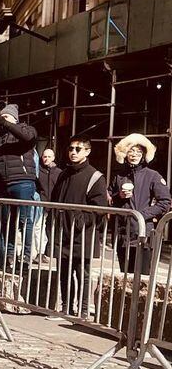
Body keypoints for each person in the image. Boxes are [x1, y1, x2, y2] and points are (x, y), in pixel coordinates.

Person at [51, 138, 108, 316]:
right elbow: (55, 200)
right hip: (63, 231)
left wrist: (80, 221)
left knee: (82, 274)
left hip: (82, 234)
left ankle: (83, 312)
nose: (73, 152)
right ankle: (67, 308)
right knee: (64, 273)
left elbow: (99, 207)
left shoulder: (95, 176)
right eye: (71, 148)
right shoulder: (63, 174)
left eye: (78, 149)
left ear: (87, 151)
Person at [0, 102, 39, 268]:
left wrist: (5, 121)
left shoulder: (26, 129)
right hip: (4, 184)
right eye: (1, 117)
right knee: (8, 222)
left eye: (5, 117)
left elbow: (27, 137)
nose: (2, 121)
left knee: (25, 220)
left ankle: (26, 256)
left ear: (14, 118)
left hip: (23, 182)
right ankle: (10, 255)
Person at [109, 133, 170, 274]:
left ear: (144, 155)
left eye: (138, 151)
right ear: (125, 153)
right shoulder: (119, 176)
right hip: (122, 235)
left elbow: (165, 202)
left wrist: (141, 215)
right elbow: (109, 200)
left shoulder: (153, 175)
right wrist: (120, 196)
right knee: (124, 278)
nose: (134, 154)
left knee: (142, 278)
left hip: (143, 234)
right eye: (131, 150)